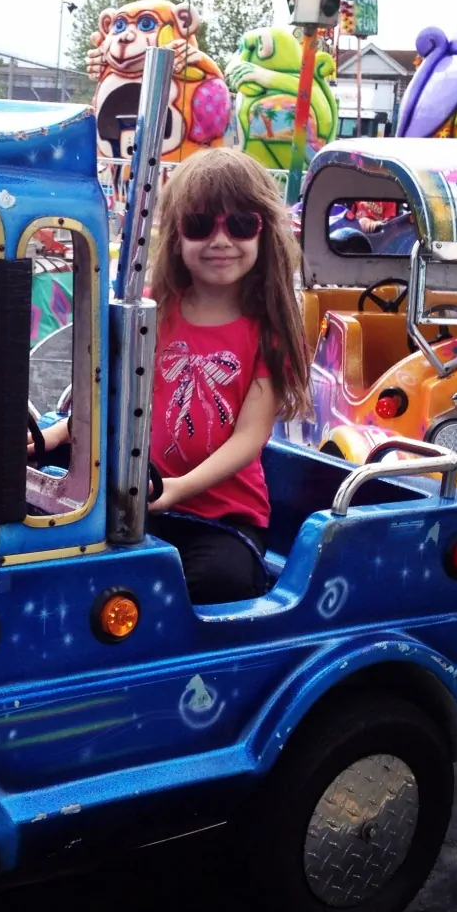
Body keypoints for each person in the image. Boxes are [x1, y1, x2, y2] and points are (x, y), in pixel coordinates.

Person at [144, 148, 309, 604]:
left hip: (224, 517)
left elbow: (248, 438)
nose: (220, 240)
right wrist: (59, 434)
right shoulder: (153, 313)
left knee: (220, 582)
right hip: (145, 500)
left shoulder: (267, 331)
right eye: (200, 225)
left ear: (263, 233)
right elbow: (112, 390)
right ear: (177, 236)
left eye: (239, 225)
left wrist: (176, 489)